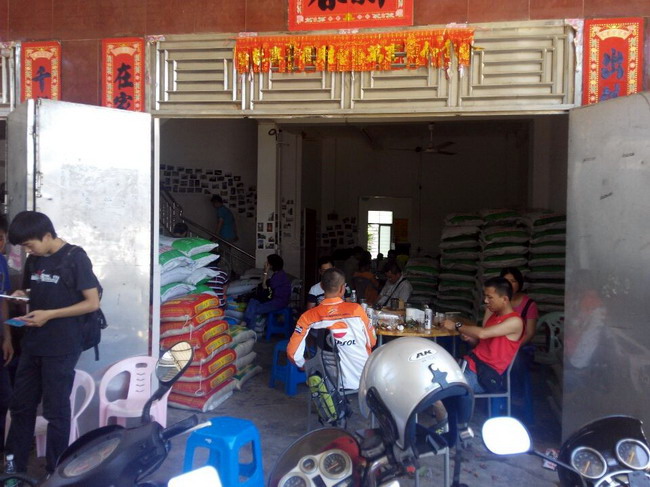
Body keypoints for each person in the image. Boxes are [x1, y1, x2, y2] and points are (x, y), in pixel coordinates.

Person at [5, 211, 101, 475]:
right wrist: (21, 295)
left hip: (62, 346)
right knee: (21, 406)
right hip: (33, 343)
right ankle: (14, 467)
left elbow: (92, 302)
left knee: (56, 411)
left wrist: (50, 315)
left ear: (47, 235)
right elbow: (35, 290)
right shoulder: (34, 259)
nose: (27, 251)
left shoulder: (75, 258)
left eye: (29, 244)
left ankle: (55, 469)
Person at [287, 268, 376, 390]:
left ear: (322, 287)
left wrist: (306, 365)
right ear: (342, 289)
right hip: (362, 379)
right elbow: (372, 342)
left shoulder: (308, 316)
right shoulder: (357, 310)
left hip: (330, 380)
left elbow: (292, 353)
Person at [442, 276, 524, 393]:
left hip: (482, 376)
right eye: (485, 297)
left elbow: (482, 334)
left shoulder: (515, 321)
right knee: (431, 371)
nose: (485, 301)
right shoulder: (495, 316)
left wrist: (457, 326)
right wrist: (470, 338)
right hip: (469, 364)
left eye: (490, 297)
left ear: (505, 299)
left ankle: (446, 404)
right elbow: (481, 343)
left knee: (438, 387)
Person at [243, 254, 291, 330]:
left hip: (278, 302)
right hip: (273, 299)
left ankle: (248, 328)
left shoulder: (279, 276)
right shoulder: (278, 274)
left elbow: (265, 286)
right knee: (253, 301)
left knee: (254, 310)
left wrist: (266, 272)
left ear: (272, 265)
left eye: (268, 263)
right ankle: (245, 324)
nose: (266, 264)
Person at [0, 215, 13, 451]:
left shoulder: (1, 262)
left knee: (5, 397)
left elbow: (3, 300)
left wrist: (8, 337)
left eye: (1, 239)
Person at [500, 267, 539, 344]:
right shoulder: (497, 301)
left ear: (519, 283)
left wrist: (512, 347)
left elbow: (530, 333)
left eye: (513, 281)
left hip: (519, 345)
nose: (509, 285)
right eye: (506, 281)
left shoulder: (529, 305)